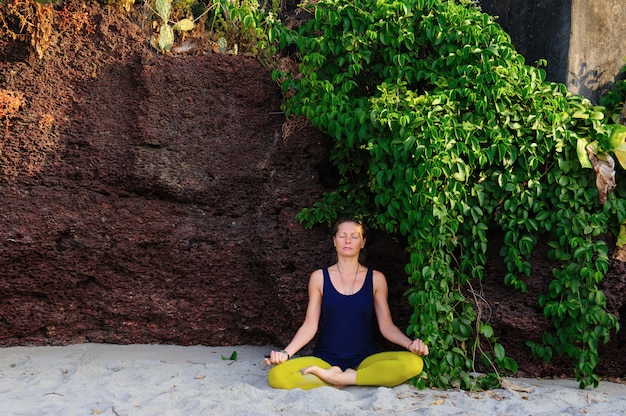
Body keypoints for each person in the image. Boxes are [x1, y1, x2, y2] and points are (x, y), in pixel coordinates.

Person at [264, 218, 429, 390]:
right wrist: (286, 353)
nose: (348, 241)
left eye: (354, 236)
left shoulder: (376, 279)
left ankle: (343, 378)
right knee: (277, 376)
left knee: (414, 363)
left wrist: (410, 345)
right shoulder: (319, 277)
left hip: (365, 361)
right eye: (342, 236)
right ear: (334, 241)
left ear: (363, 242)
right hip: (325, 360)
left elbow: (387, 326)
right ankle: (340, 375)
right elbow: (309, 325)